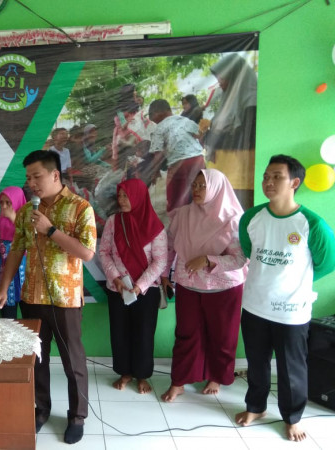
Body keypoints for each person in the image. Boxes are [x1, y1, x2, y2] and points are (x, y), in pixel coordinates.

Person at [0, 150, 97, 444]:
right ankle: (41, 409)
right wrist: (1, 289)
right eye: (28, 178)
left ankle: (77, 416)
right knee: (37, 358)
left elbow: (86, 252)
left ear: (55, 175)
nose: (31, 183)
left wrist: (51, 230)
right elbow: (15, 252)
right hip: (31, 296)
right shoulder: (25, 212)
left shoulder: (80, 207)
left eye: (36, 176)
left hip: (66, 299)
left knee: (73, 361)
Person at [235, 155, 335, 442]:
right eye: (266, 176)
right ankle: (255, 406)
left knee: (292, 367)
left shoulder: (311, 223)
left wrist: (296, 281)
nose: (268, 181)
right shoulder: (251, 218)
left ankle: (292, 417)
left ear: (295, 182)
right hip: (255, 304)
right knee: (257, 362)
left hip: (292, 310)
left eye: (276, 176)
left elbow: (327, 262)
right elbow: (250, 252)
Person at [161, 169, 247, 402]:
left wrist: (208, 260)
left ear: (217, 188)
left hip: (225, 286)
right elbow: (169, 245)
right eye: (195, 185)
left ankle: (216, 377)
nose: (196, 190)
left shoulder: (232, 219)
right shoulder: (183, 214)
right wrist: (164, 273)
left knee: (222, 336)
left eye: (203, 185)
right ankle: (179, 381)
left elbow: (240, 259)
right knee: (186, 333)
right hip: (189, 282)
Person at [98, 179, 167, 394]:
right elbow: (104, 252)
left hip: (146, 291)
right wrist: (116, 278)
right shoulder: (113, 222)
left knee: (144, 334)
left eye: (126, 195)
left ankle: (142, 375)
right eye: (119, 195)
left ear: (139, 196)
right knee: (119, 333)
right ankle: (125, 372)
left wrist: (140, 286)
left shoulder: (155, 227)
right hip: (118, 289)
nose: (121, 200)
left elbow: (160, 261)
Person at [205, 53, 257, 210]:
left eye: (222, 77)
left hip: (238, 173)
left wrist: (214, 138)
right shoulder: (228, 100)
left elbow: (246, 138)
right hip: (221, 167)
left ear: (235, 76)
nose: (219, 82)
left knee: (236, 214)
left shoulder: (251, 99)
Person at [148, 99, 206, 215]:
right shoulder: (185, 120)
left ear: (157, 113)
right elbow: (200, 136)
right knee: (200, 192)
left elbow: (158, 154)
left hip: (179, 165)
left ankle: (178, 224)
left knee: (176, 198)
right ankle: (200, 218)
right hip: (198, 160)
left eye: (152, 117)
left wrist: (154, 171)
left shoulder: (159, 128)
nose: (153, 122)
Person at [0, 186, 27, 319]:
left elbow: (34, 248)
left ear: (17, 202)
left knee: (31, 320)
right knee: (9, 320)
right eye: (2, 202)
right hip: (5, 282)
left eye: (8, 202)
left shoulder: (29, 224)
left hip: (27, 280)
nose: (4, 206)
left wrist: (15, 220)